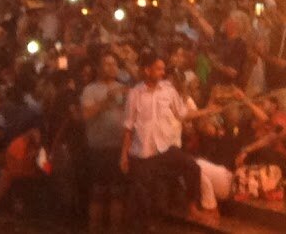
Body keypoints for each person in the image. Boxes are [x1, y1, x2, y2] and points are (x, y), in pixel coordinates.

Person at [119, 52, 205, 227]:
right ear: (147, 70)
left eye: (163, 69)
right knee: (146, 199)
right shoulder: (135, 94)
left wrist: (208, 110)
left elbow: (182, 114)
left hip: (166, 148)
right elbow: (128, 127)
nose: (162, 73)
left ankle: (192, 206)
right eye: (158, 69)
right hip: (143, 152)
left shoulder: (169, 90)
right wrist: (124, 155)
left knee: (192, 167)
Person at [81, 53, 128, 231]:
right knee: (98, 191)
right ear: (100, 68)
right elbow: (86, 114)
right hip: (98, 148)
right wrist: (106, 100)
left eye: (114, 64)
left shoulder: (124, 89)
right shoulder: (90, 90)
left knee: (117, 192)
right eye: (107, 64)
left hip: (119, 147)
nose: (111, 67)